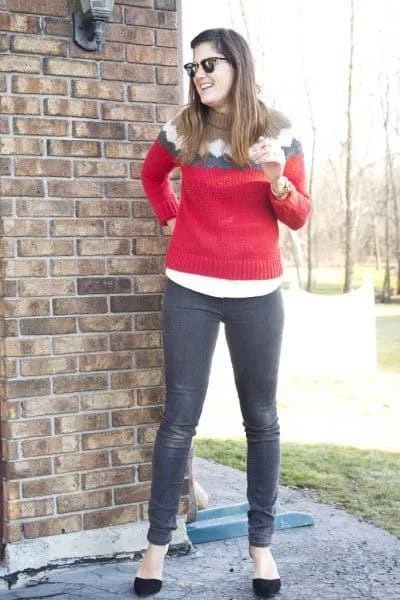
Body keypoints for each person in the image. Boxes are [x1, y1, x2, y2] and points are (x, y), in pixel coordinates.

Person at [134, 27, 311, 598]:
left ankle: (261, 548)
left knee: (261, 419)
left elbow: (300, 216)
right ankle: (156, 547)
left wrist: (277, 178)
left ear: (238, 64)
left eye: (210, 63)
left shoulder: (277, 131)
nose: (200, 75)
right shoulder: (182, 129)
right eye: (194, 67)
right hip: (189, 287)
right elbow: (151, 174)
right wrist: (169, 213)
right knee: (178, 419)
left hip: (258, 293)